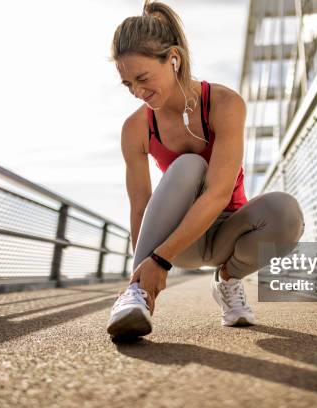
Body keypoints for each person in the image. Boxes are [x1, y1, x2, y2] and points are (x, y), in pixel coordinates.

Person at [106, 0, 305, 338]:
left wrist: (161, 260)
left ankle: (227, 281)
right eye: (128, 85)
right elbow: (141, 206)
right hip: (181, 238)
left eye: (142, 78)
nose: (137, 93)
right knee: (188, 165)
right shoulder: (135, 128)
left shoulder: (225, 104)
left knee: (286, 212)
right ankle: (134, 296)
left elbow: (218, 194)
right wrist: (144, 270)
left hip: (229, 232)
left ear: (173, 58)